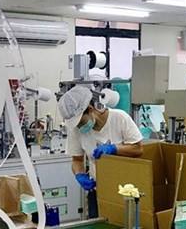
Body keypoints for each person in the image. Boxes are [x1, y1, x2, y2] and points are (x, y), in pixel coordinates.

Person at [57, 86, 143, 218]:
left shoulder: (119, 118)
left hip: (126, 192)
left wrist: (114, 149)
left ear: (91, 110)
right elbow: (77, 160)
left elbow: (138, 148)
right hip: (98, 192)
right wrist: (80, 175)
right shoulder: (75, 130)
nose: (79, 127)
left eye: (81, 122)